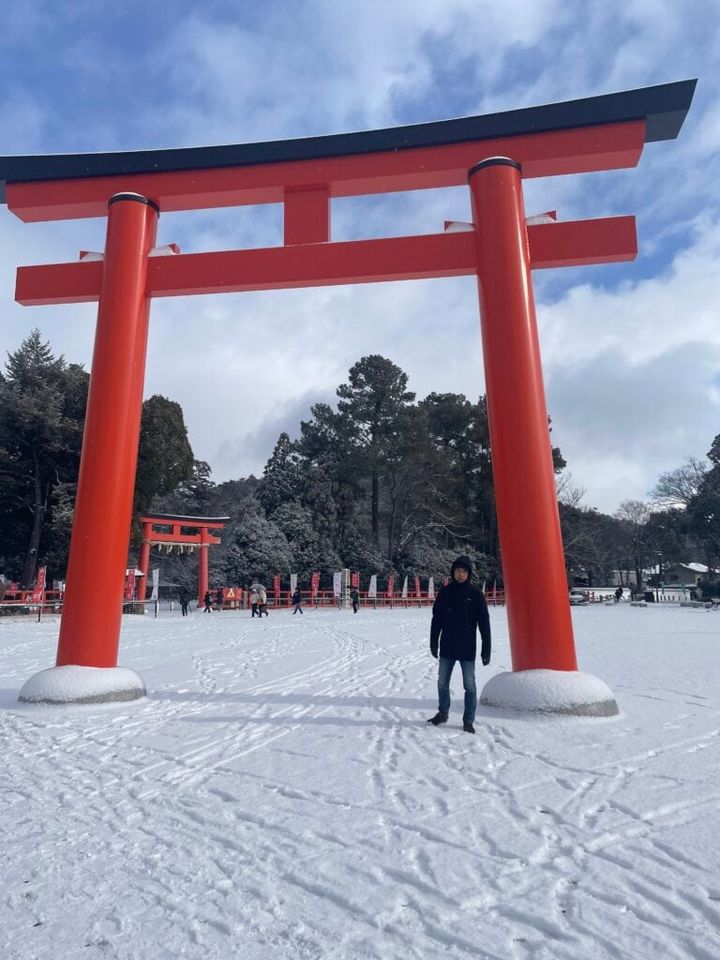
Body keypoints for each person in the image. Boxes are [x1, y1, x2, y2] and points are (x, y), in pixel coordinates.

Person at [427, 555, 491, 735]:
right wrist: (433, 642)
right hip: (447, 645)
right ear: (453, 572)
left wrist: (486, 648)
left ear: (468, 574)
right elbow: (436, 619)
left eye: (464, 571)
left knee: (469, 685)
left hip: (467, 647)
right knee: (442, 682)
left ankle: (468, 719)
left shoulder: (476, 595)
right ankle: (443, 713)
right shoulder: (445, 593)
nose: (460, 574)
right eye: (457, 571)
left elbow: (484, 624)